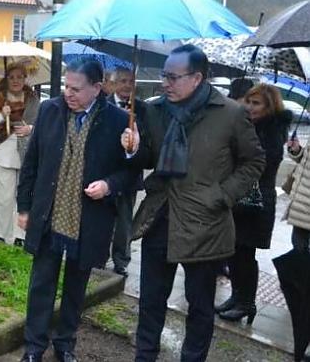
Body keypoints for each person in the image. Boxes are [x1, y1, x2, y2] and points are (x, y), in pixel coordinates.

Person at [122, 44, 265, 362]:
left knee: (199, 307)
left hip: (206, 224)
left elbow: (254, 162)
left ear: (197, 78)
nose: (165, 83)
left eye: (173, 77)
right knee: (150, 302)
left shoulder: (230, 114)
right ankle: (144, 357)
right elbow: (149, 158)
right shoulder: (154, 110)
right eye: (163, 75)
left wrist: (223, 195)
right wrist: (133, 148)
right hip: (160, 216)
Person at [17, 58, 133, 362]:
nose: (68, 93)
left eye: (76, 89)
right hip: (49, 213)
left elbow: (130, 173)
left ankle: (65, 343)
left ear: (97, 87)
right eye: (66, 86)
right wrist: (25, 206)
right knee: (42, 283)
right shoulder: (50, 110)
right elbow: (32, 162)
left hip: (89, 218)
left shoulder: (119, 121)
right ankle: (34, 347)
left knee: (75, 286)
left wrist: (109, 184)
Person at [216, 84, 291, 324]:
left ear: (270, 107)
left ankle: (246, 303)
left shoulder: (271, 132)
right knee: (234, 252)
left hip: (255, 202)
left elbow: (257, 165)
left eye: (256, 103)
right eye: (248, 101)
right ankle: (238, 297)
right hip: (240, 198)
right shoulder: (250, 126)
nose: (249, 106)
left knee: (245, 254)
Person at [0, 63, 40, 246]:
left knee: (23, 195)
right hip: (3, 152)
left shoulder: (32, 99)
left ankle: (20, 236)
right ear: (6, 79)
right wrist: (0, 116)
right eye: (12, 77)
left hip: (27, 152)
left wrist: (31, 128)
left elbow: (42, 123)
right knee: (3, 197)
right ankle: (0, 233)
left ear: (25, 79)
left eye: (19, 77)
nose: (16, 81)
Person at [106, 67, 148, 277]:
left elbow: (148, 140)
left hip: (130, 173)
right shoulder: (104, 105)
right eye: (122, 81)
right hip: (107, 173)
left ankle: (121, 259)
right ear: (113, 83)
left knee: (124, 219)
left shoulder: (142, 108)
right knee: (103, 217)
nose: (126, 85)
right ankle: (100, 254)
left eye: (130, 81)